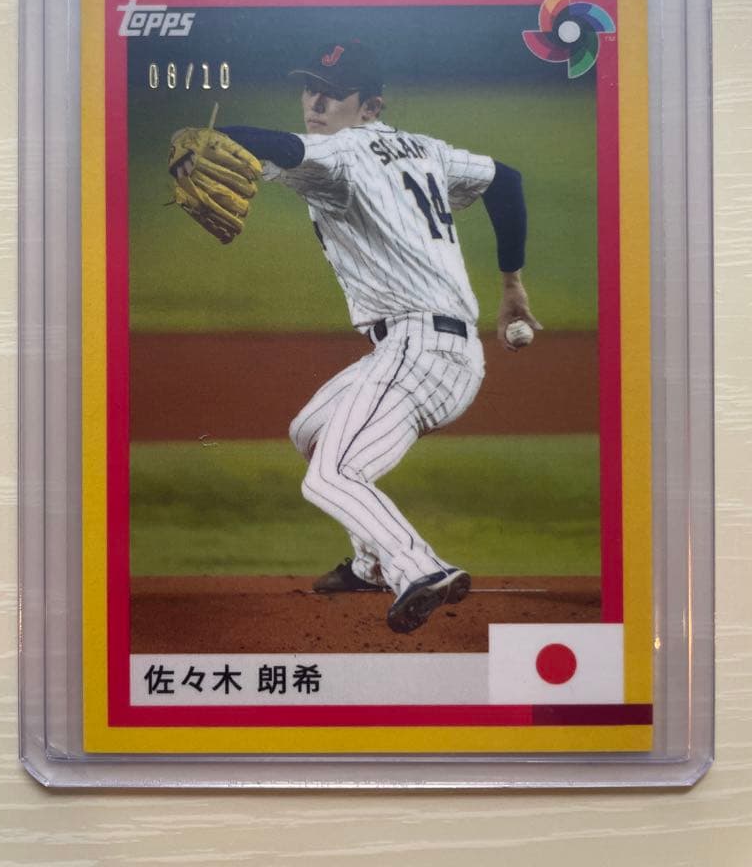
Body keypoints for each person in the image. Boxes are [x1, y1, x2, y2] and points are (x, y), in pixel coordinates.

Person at [217, 40, 540, 634]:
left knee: (331, 476)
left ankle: (421, 568)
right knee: (311, 431)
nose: (316, 102)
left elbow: (280, 146)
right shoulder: (427, 149)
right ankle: (369, 564)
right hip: (420, 348)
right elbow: (507, 179)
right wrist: (512, 283)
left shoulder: (341, 150)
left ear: (370, 107)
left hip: (422, 351)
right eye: (310, 87)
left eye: (333, 93)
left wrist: (208, 135)